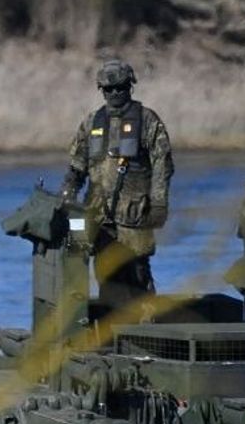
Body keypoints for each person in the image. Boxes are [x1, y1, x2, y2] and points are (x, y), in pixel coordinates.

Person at [60, 59, 173, 313]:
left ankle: (146, 331)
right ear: (101, 90)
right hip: (98, 215)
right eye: (108, 89)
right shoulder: (91, 123)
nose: (114, 94)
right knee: (105, 272)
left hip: (134, 215)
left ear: (130, 87)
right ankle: (113, 331)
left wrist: (158, 205)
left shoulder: (147, 121)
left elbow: (162, 166)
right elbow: (76, 168)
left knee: (137, 273)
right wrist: (67, 198)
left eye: (120, 88)